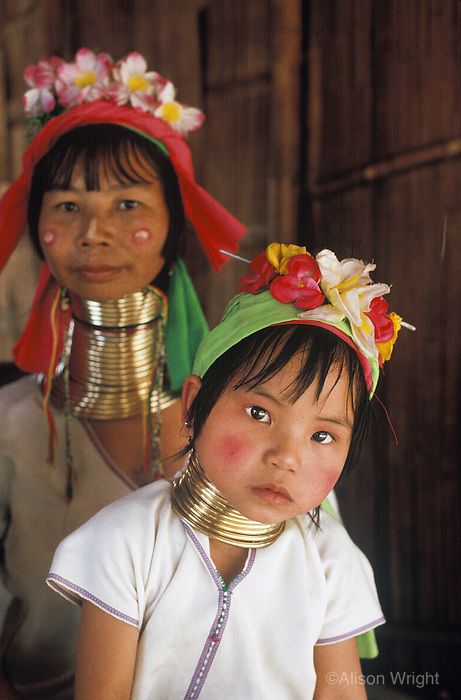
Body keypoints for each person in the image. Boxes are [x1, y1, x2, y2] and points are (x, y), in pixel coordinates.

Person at [47, 242, 405, 699]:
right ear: (194, 405)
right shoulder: (126, 540)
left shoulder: (331, 561)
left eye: (322, 436)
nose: (286, 456)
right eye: (259, 414)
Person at [0, 49, 246, 698]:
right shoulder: (10, 428)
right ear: (38, 228)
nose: (95, 233)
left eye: (128, 204)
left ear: (172, 226)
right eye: (68, 206)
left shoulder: (246, 423)